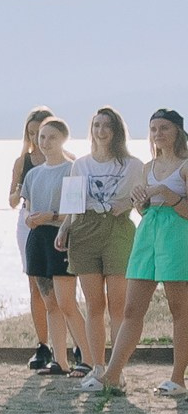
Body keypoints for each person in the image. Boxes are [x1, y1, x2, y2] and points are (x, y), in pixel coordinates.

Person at [84, 109, 188, 397]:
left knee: (180, 310)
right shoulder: (147, 167)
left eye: (164, 128)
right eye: (153, 128)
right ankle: (112, 376)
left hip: (178, 237)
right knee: (131, 309)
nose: (157, 134)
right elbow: (145, 211)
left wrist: (170, 196)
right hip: (148, 236)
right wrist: (140, 203)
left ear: (177, 131)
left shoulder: (185, 166)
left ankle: (178, 379)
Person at [59, 106, 143, 373]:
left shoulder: (133, 165)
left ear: (117, 130)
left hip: (118, 229)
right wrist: (64, 230)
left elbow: (143, 203)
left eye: (107, 125)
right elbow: (72, 204)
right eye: (96, 126)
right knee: (94, 304)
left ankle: (116, 370)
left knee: (119, 305)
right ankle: (97, 366)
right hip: (85, 229)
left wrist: (128, 203)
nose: (101, 131)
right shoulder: (80, 164)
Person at [19, 117, 94, 379]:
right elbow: (27, 207)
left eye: (51, 137)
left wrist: (49, 216)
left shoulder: (73, 169)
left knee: (66, 303)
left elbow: (75, 212)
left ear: (63, 139)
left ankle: (89, 358)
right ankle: (60, 361)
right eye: (41, 137)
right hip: (36, 239)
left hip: (61, 238)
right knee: (49, 302)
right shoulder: (32, 173)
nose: (46, 142)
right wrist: (31, 218)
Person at [10, 107, 57, 370]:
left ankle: (71, 343)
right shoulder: (23, 162)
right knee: (36, 285)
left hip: (55, 222)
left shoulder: (67, 161)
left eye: (41, 133)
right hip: (28, 224)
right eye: (32, 133)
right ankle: (43, 345)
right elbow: (11, 198)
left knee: (62, 284)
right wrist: (18, 192)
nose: (38, 139)